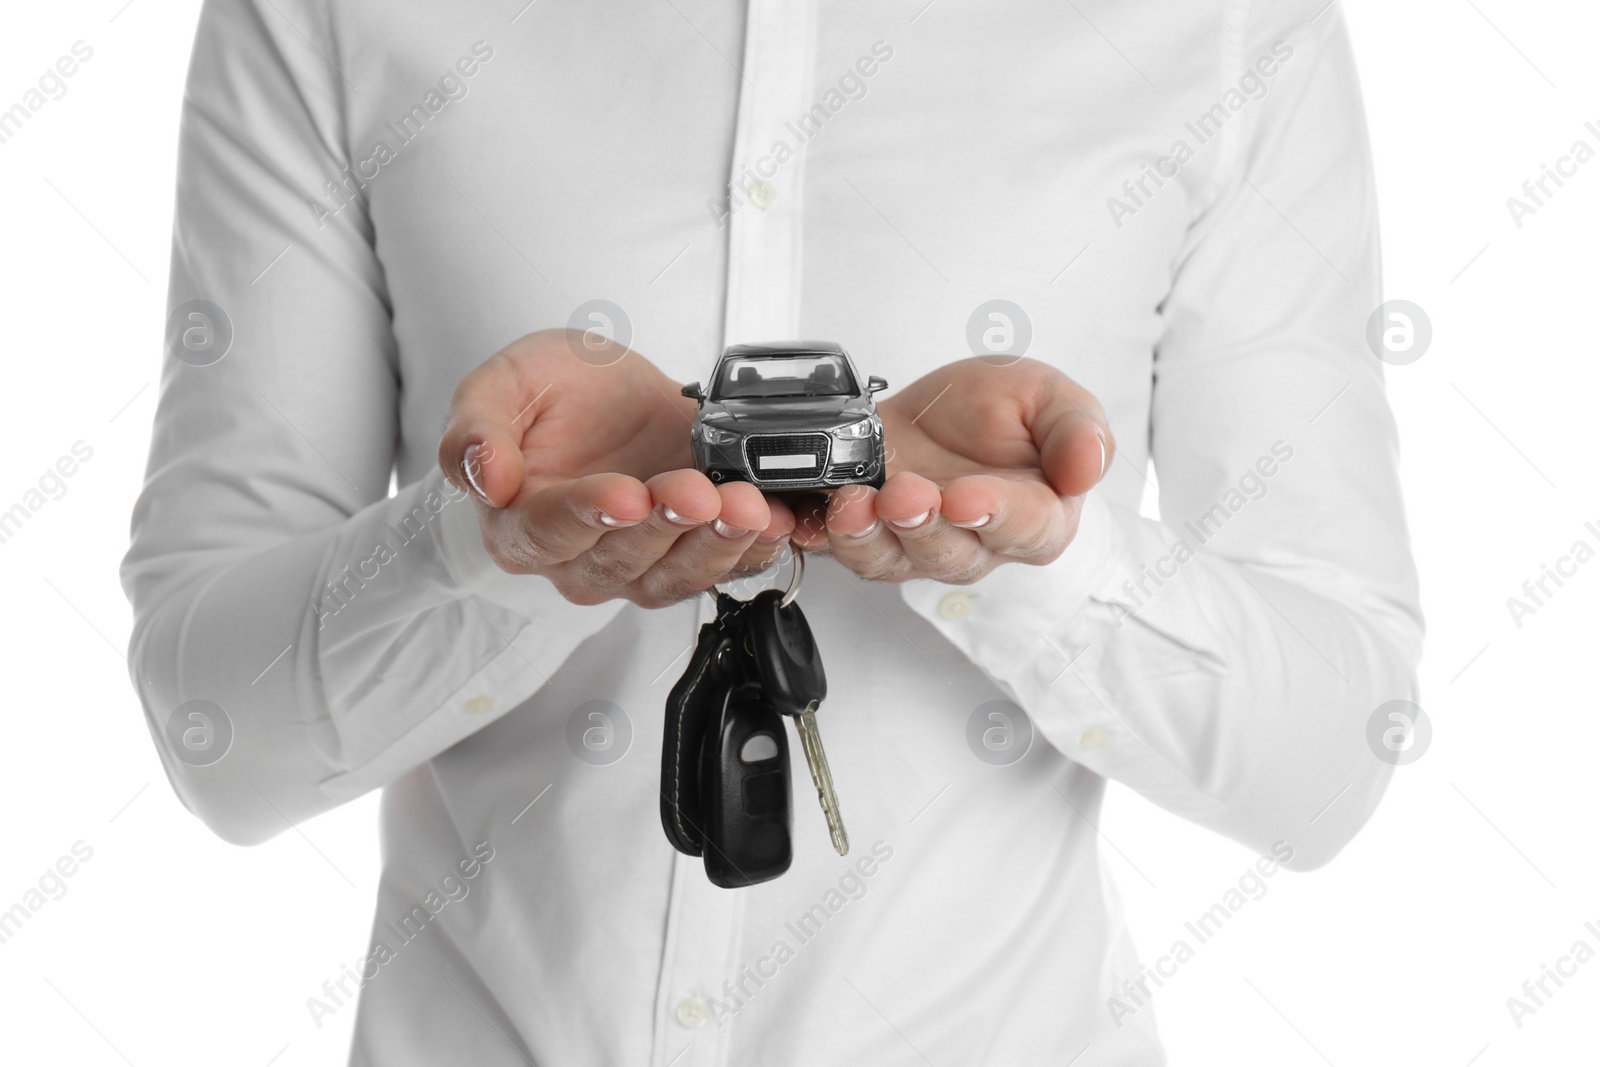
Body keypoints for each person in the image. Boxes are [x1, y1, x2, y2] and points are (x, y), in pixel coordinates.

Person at [122, 0, 1422, 1062]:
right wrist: (483, 551)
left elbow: (1329, 763)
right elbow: (218, 742)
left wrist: (1040, 570)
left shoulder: (1227, 27)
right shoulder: (327, 16)